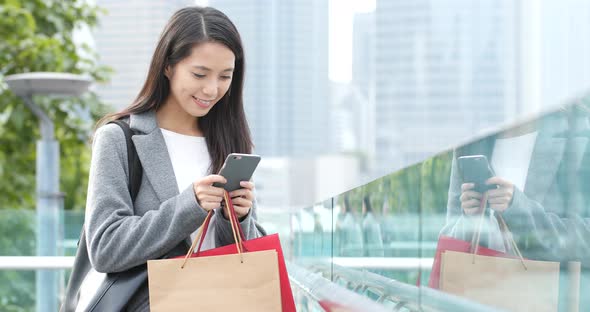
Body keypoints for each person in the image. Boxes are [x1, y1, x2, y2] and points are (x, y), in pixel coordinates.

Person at [79, 7, 264, 311]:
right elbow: (105, 247)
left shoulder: (231, 144)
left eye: (225, 76)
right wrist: (189, 204)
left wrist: (239, 220)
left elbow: (248, 259)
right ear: (168, 66)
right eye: (199, 74)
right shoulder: (118, 138)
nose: (212, 89)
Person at [442, 109, 590, 263]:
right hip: (477, 282)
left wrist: (518, 209)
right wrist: (469, 218)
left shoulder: (578, 132)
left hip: (544, 283)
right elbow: (449, 238)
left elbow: (585, 238)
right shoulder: (472, 142)